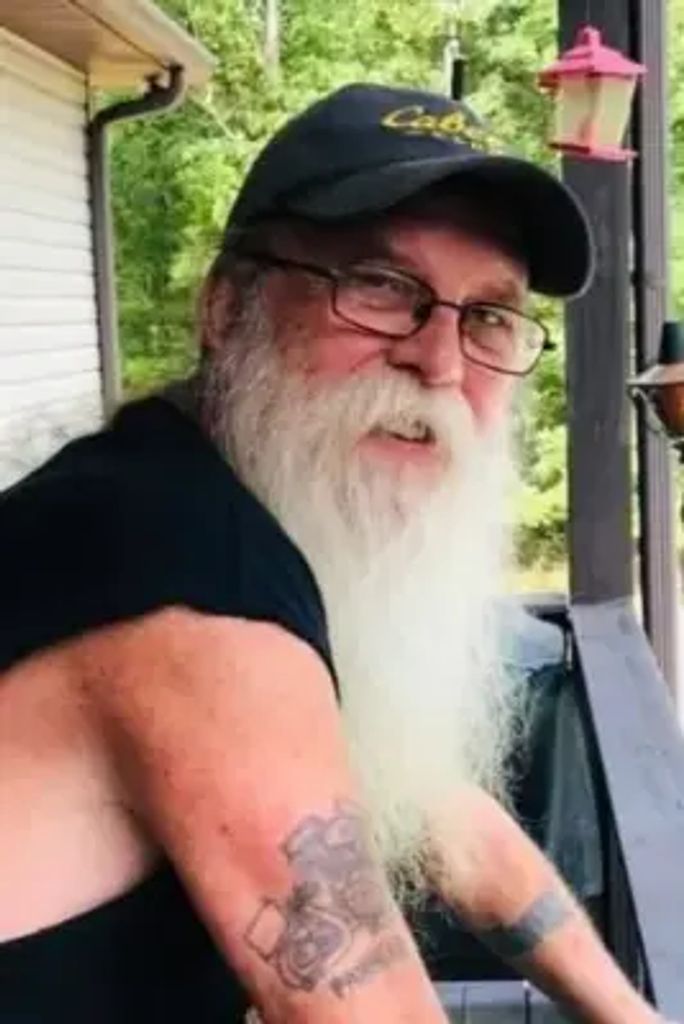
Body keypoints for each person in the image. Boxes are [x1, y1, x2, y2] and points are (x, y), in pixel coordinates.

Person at [0, 83, 667, 1024]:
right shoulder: (187, 582)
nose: (441, 364)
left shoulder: (211, 494)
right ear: (226, 308)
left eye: (488, 316)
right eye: (382, 287)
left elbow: (445, 822)